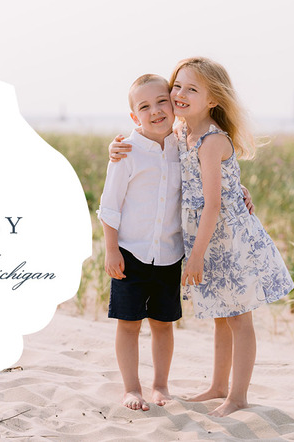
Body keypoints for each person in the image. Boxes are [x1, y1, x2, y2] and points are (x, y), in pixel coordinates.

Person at [171, 57, 293, 416]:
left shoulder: (211, 139)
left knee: (240, 318)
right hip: (208, 239)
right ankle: (217, 385)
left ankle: (237, 396)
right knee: (221, 316)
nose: (180, 93)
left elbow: (212, 205)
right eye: (177, 85)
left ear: (213, 99)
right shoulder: (181, 132)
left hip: (229, 240)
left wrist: (195, 256)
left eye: (192, 88)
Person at [97, 74, 182, 411]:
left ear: (174, 105)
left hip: (169, 253)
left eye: (162, 101)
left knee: (163, 324)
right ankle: (132, 388)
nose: (156, 111)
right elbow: (110, 204)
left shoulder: (184, 146)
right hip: (130, 252)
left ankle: (160, 385)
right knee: (129, 324)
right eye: (144, 107)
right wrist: (111, 248)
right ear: (135, 117)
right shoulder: (126, 151)